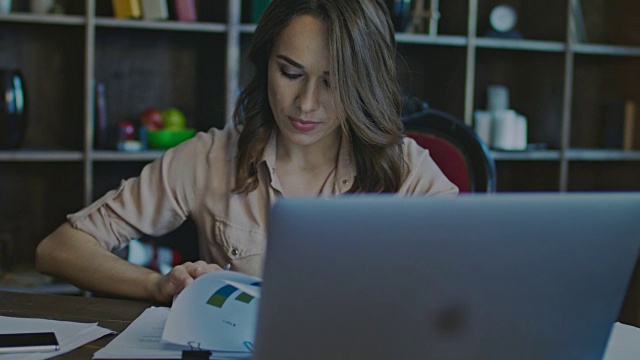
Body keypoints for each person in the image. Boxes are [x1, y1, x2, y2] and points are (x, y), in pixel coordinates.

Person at [35, 0, 458, 304]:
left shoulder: (407, 169)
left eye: (333, 82)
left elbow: (468, 283)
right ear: (264, 63)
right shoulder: (209, 157)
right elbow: (58, 249)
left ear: (364, 84)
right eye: (290, 72)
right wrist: (156, 286)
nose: (306, 103)